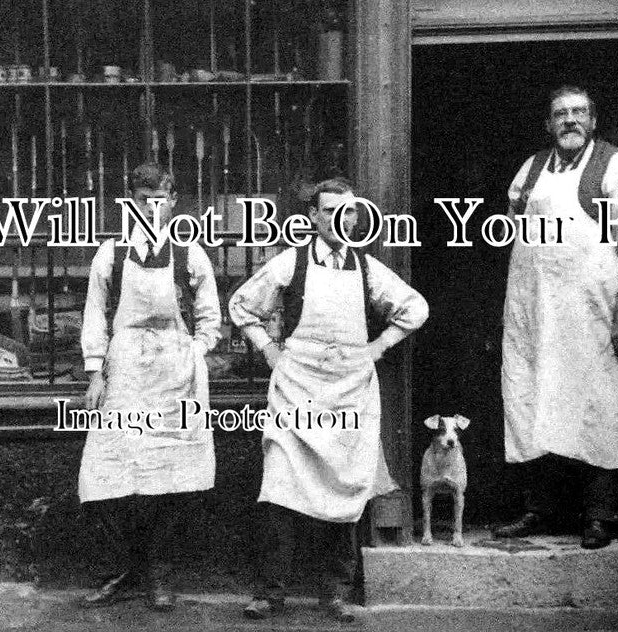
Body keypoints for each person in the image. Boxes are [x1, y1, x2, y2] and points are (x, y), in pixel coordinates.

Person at [228, 177, 428, 622]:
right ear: (315, 217)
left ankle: (334, 591)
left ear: (355, 217)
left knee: (345, 489)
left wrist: (378, 347)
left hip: (349, 395)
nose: (340, 218)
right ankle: (269, 592)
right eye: (330, 210)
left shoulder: (368, 269)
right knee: (279, 488)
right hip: (296, 390)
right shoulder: (290, 264)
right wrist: (268, 349)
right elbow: (242, 305)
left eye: (349, 210)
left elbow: (415, 308)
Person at [494, 85, 618, 550]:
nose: (570, 120)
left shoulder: (615, 167)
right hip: (536, 313)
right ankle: (537, 510)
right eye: (560, 113)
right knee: (531, 402)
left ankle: (600, 517)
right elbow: (513, 230)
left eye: (579, 112)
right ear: (549, 123)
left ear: (593, 120)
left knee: (597, 405)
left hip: (592, 316)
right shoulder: (532, 167)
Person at [76, 162, 222, 610]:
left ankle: (159, 576)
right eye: (142, 201)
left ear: (173, 202)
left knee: (174, 478)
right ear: (131, 204)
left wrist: (193, 353)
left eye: (159, 201)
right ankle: (123, 571)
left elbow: (210, 316)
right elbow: (95, 314)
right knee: (104, 477)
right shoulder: (112, 254)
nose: (150, 208)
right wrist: (95, 372)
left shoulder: (189, 254)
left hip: (176, 376)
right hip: (124, 374)